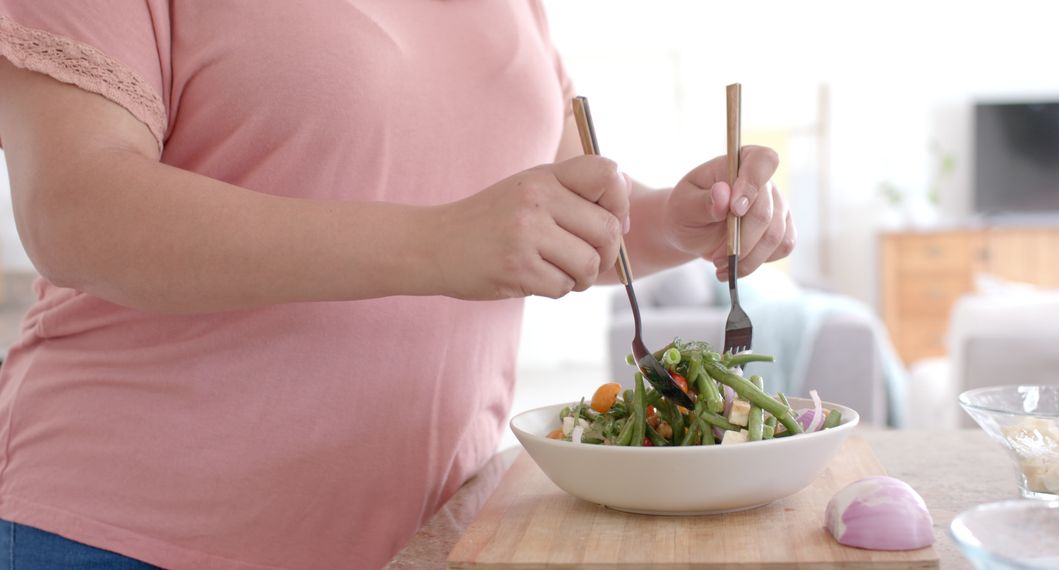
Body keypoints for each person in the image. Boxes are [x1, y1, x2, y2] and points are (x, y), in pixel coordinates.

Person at [0, 2, 793, 568]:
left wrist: (675, 223)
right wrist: (438, 241)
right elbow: (74, 210)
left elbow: (542, 210)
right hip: (126, 535)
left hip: (433, 534)